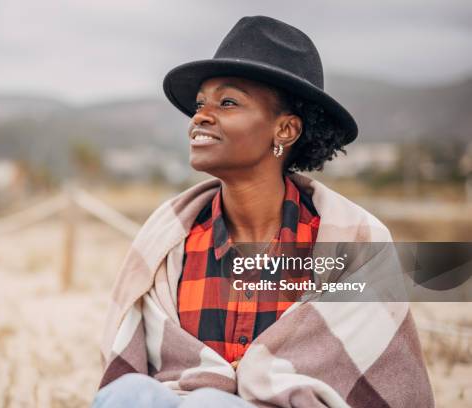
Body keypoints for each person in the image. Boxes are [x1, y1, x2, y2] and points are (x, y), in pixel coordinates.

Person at [94, 16, 433, 407]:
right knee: (127, 393)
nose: (201, 115)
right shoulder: (169, 244)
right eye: (201, 103)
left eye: (228, 102)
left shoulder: (354, 245)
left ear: (285, 130)